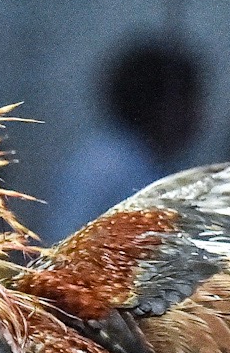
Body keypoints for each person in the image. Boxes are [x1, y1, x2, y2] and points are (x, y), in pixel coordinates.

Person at [40, 41, 203, 244]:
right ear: (153, 105)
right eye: (187, 103)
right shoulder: (108, 166)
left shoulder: (144, 161)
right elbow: (64, 243)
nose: (197, 117)